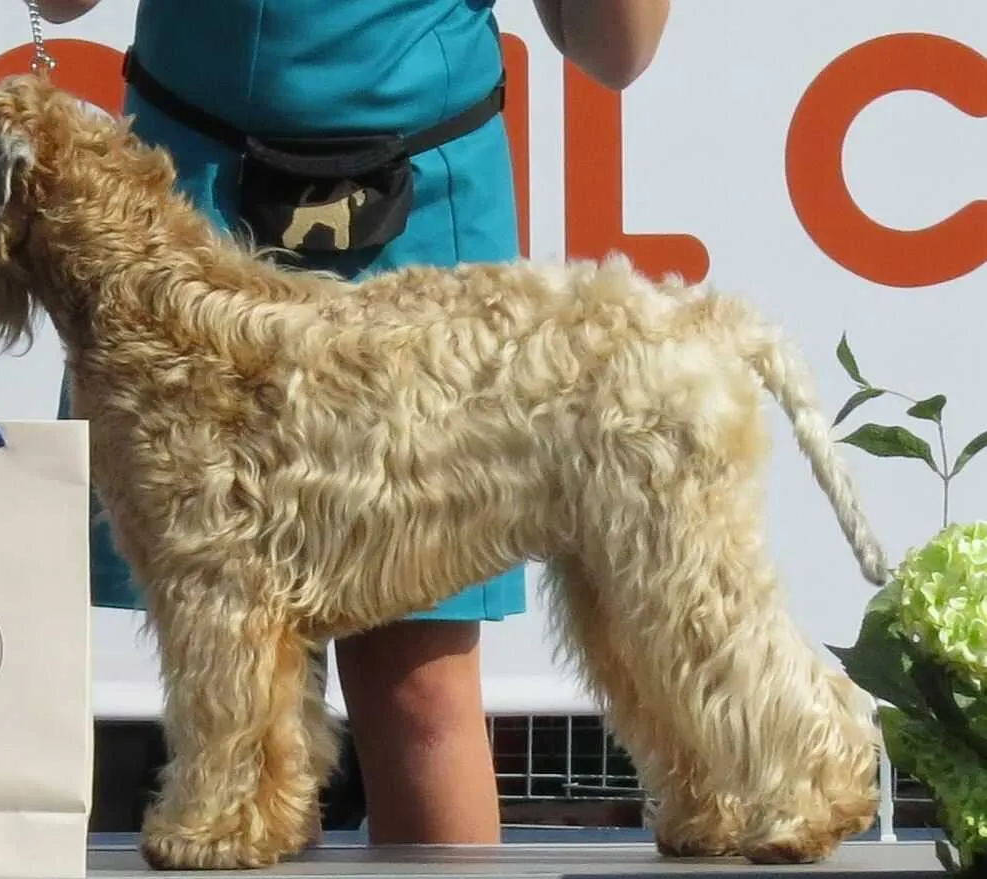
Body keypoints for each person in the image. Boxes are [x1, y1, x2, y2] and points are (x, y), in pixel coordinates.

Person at [38, 0, 670, 847]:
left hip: (421, 187)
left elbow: (615, 49)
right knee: (222, 666)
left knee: (419, 684)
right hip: (188, 204)